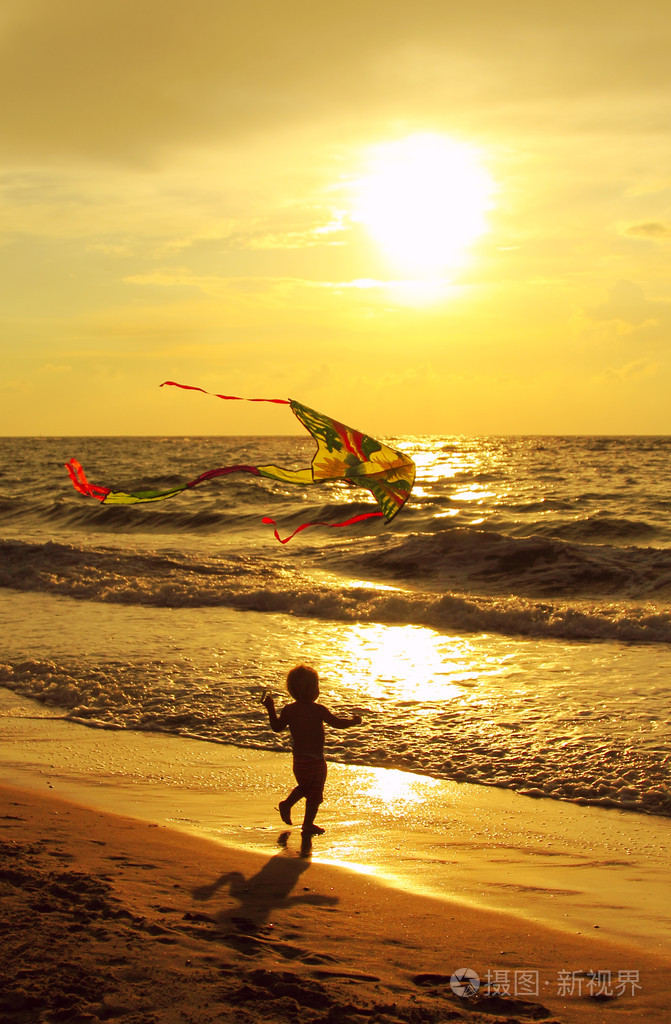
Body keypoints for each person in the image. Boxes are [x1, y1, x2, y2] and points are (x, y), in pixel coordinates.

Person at [262, 665, 361, 837]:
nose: (318, 690)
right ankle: (306, 822)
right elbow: (337, 723)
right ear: (310, 689)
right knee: (314, 793)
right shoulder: (318, 710)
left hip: (299, 760)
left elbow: (277, 727)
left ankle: (289, 806)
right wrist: (352, 721)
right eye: (316, 686)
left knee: (306, 788)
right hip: (315, 760)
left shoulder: (289, 710)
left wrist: (270, 708)